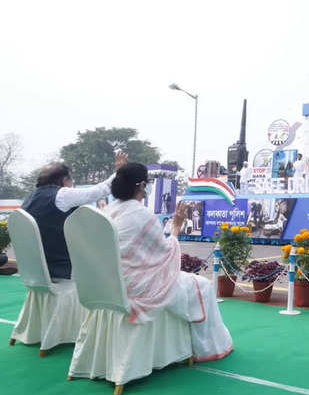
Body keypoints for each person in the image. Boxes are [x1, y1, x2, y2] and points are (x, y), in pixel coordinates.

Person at [103, 163, 233, 361]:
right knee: (204, 286)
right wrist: (176, 227)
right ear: (142, 186)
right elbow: (165, 253)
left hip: (109, 285)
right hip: (137, 288)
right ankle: (209, 349)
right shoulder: (141, 214)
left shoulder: (108, 210)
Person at [21, 151, 127, 280]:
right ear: (65, 180)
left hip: (37, 271)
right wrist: (120, 171)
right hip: (61, 269)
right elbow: (100, 191)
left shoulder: (28, 200)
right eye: (71, 180)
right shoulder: (62, 195)